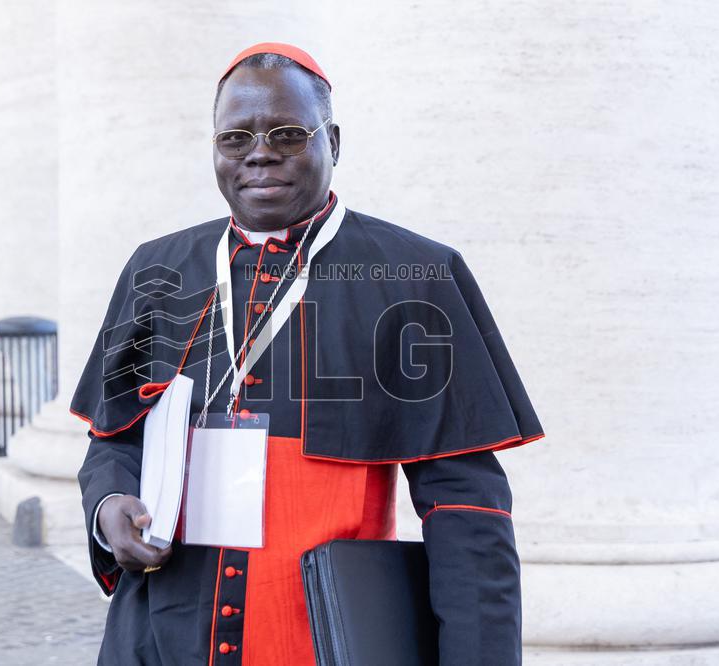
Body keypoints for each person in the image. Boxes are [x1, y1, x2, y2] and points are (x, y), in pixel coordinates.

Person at [72, 42, 544, 665]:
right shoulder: (157, 270)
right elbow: (113, 440)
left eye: (287, 133)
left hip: (320, 640)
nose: (259, 151)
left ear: (334, 143)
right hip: (158, 636)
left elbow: (467, 510)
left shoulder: (414, 276)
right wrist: (109, 505)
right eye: (235, 137)